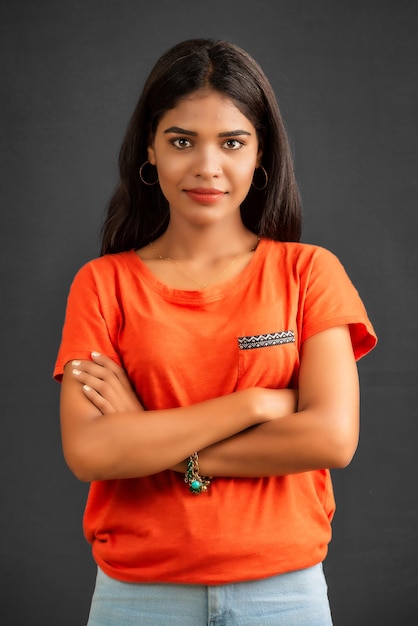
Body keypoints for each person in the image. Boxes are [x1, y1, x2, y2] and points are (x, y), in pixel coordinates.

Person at [54, 38, 377, 625]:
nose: (207, 166)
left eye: (232, 142)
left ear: (261, 155)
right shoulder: (102, 285)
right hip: (138, 597)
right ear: (150, 150)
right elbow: (91, 452)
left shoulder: (309, 272)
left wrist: (156, 445)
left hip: (284, 595)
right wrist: (255, 402)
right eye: (182, 141)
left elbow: (331, 438)